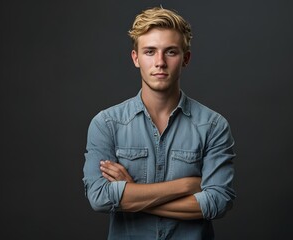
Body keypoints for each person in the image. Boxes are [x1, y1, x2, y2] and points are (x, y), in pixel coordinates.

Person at [82, 6, 236, 239]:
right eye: (150, 51)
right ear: (136, 58)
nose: (160, 62)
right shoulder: (107, 124)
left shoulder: (213, 126)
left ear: (186, 58)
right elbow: (100, 197)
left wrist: (131, 194)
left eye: (171, 52)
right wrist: (186, 186)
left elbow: (217, 201)